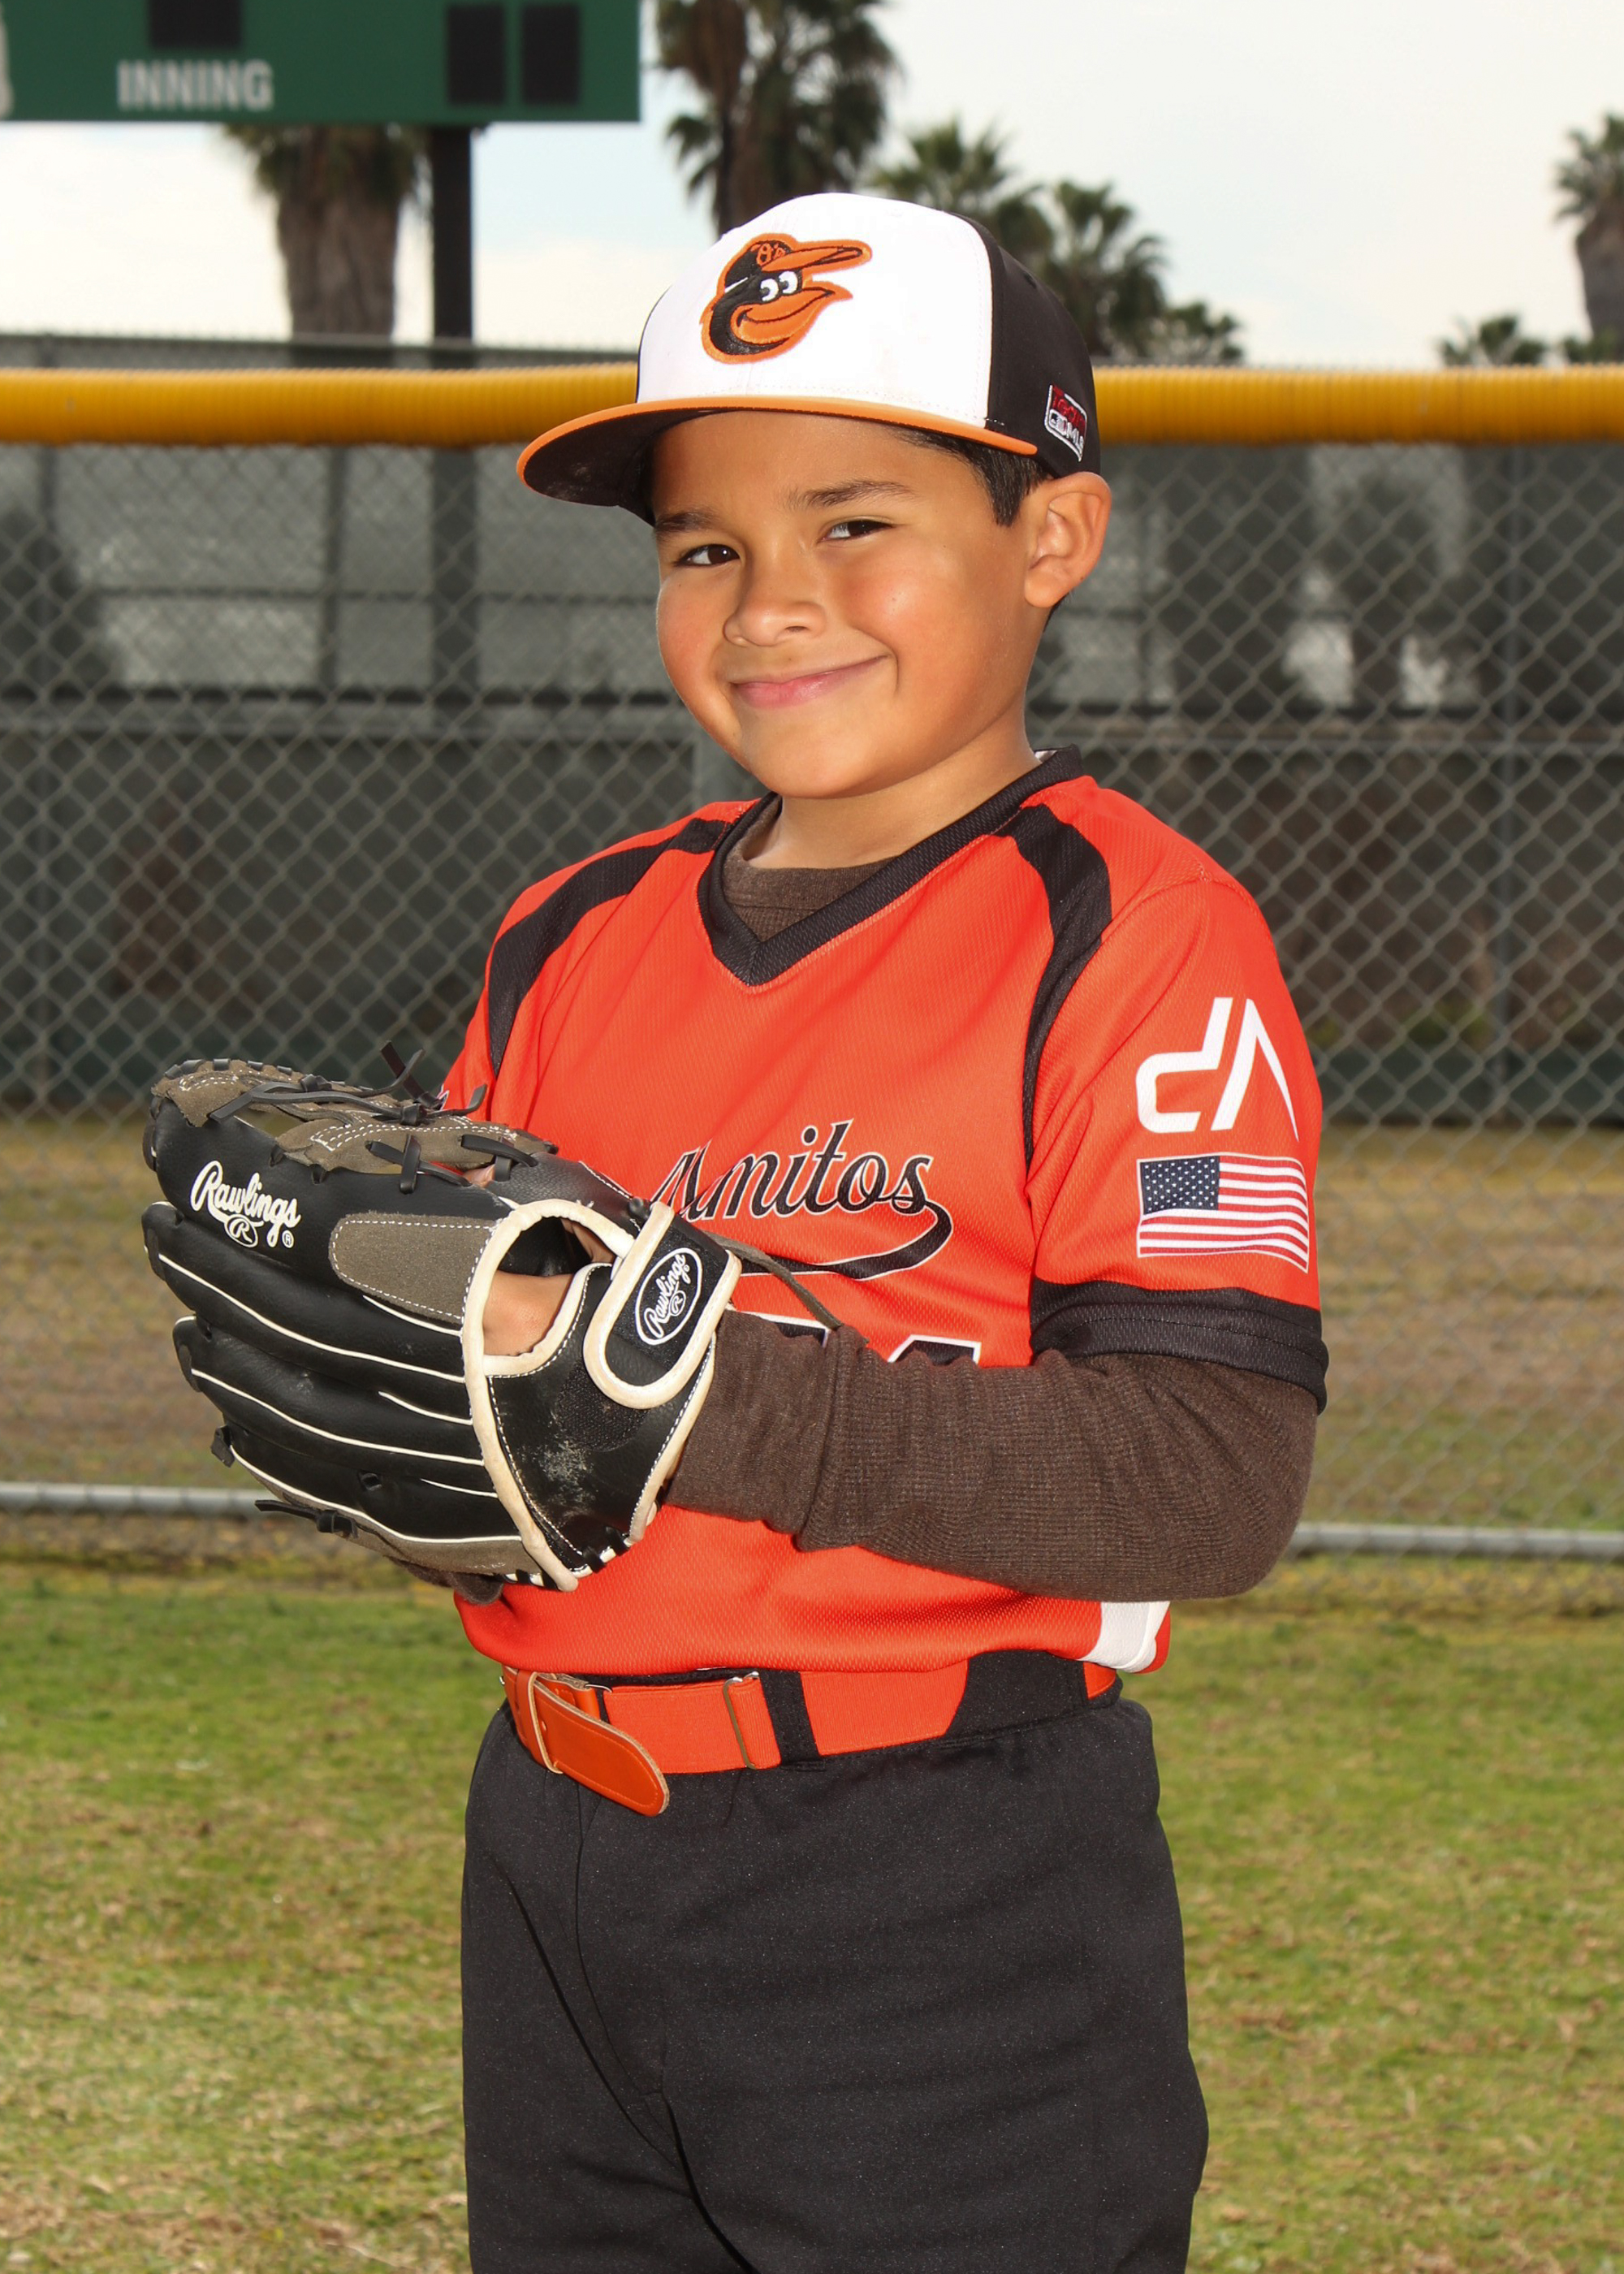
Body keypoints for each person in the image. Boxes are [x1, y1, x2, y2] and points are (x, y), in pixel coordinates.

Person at [447, 192, 1326, 2273]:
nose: (773, 603)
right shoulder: (570, 930)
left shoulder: (1135, 930)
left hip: (936, 1877)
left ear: (1052, 535)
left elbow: (1207, 1475)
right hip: (555, 1835)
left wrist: (671, 1394)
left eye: (855, 522)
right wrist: (396, 1437)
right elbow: (484, 1423)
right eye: (704, 547)